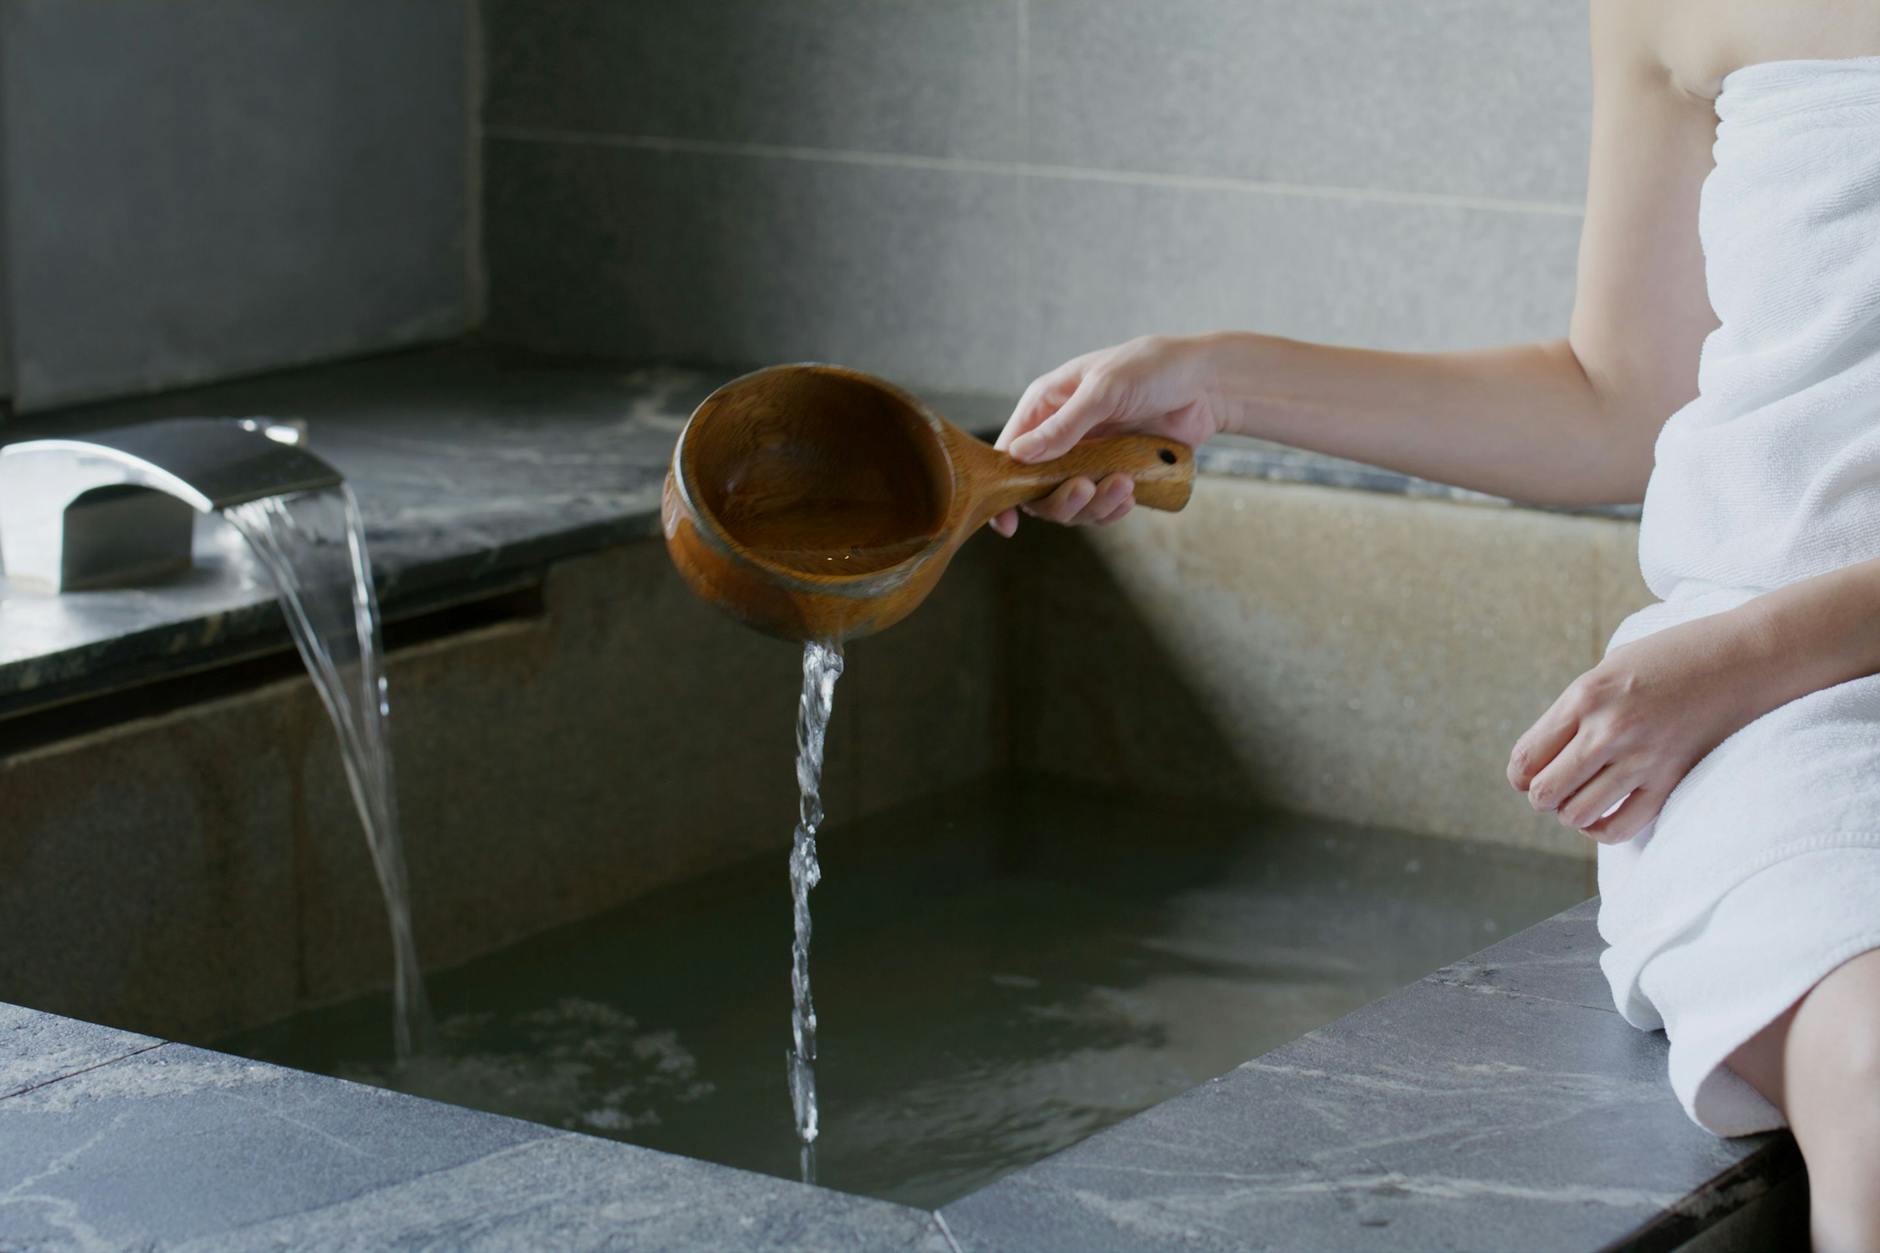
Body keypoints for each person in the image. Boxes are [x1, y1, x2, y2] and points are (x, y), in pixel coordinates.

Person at [990, 4, 1880, 1248]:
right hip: (1790, 734)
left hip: (1739, 676)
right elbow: (1611, 398)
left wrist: (1741, 657)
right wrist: (1218, 377)